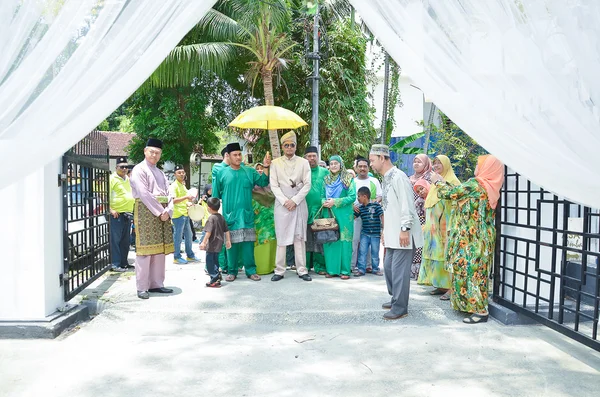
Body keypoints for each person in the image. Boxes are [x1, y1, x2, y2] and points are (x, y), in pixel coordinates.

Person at [432, 155, 504, 324]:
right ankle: (468, 305)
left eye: (480, 164)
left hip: (472, 238)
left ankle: (480, 311)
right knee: (474, 271)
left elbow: (449, 193)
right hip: (480, 236)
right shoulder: (489, 186)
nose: (476, 167)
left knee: (473, 273)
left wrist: (437, 181)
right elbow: (460, 193)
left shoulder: (476, 184)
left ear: (487, 167)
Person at [369, 144, 423, 320]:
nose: (370, 164)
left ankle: (400, 307)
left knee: (399, 271)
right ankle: (396, 299)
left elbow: (407, 205)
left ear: (382, 158)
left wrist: (405, 229)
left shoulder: (399, 177)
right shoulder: (386, 178)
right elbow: (389, 208)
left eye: (372, 160)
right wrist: (385, 231)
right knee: (390, 268)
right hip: (392, 233)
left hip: (402, 233)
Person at [212, 142, 271, 282]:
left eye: (240, 154)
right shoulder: (221, 173)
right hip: (230, 215)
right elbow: (215, 195)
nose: (238, 157)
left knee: (248, 244)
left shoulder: (249, 171)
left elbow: (263, 181)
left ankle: (251, 271)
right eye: (235, 155)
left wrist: (266, 166)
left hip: (246, 214)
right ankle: (232, 271)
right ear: (228, 156)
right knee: (230, 244)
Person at [130, 138, 175, 300]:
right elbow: (143, 194)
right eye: (152, 152)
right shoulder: (139, 170)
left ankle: (156, 284)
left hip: (162, 213)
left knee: (159, 251)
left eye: (157, 153)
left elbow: (170, 193)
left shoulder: (161, 172)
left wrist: (168, 210)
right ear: (145, 151)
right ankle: (142, 287)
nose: (154, 155)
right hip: (146, 212)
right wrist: (159, 212)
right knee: (145, 251)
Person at [269, 131, 312, 282]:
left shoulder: (303, 162)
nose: (289, 148)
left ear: (295, 146)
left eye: (291, 145)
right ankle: (279, 270)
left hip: (298, 204)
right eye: (286, 145)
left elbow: (307, 184)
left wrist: (294, 200)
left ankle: (302, 270)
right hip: (282, 205)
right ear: (282, 147)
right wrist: (285, 201)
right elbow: (274, 185)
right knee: (281, 237)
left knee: (299, 238)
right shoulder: (275, 163)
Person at [418, 155, 460, 300]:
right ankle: (441, 285)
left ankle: (451, 288)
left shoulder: (453, 181)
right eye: (434, 163)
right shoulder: (435, 182)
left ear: (446, 165)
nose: (436, 166)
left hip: (445, 227)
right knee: (435, 255)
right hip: (433, 227)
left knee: (445, 256)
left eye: (439, 163)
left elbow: (453, 200)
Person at [322, 155, 356, 279]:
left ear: (341, 164)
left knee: (344, 242)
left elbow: (352, 196)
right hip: (329, 213)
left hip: (344, 215)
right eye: (331, 164)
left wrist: (335, 202)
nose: (334, 166)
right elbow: (321, 195)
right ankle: (331, 270)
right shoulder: (326, 179)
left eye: (336, 163)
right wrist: (323, 202)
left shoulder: (347, 178)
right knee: (330, 240)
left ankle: (345, 271)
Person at [351, 156, 382, 273]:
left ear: (368, 168)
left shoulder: (374, 181)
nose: (362, 168)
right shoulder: (352, 182)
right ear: (356, 168)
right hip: (357, 214)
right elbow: (349, 197)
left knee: (370, 242)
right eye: (360, 166)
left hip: (371, 217)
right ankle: (352, 265)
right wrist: (351, 206)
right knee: (355, 240)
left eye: (365, 166)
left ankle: (369, 266)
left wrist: (374, 203)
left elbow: (380, 195)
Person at [304, 146, 329, 275]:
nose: (312, 158)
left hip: (320, 211)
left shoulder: (325, 172)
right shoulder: (302, 171)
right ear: (305, 158)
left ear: (317, 157)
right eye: (309, 156)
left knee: (319, 239)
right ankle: (305, 266)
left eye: (314, 156)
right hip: (304, 210)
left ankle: (320, 267)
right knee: (305, 239)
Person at [109, 156, 135, 272]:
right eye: (122, 167)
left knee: (126, 240)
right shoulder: (112, 179)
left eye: (126, 167)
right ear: (116, 167)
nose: (124, 169)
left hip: (128, 214)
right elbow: (103, 195)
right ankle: (115, 264)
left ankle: (124, 263)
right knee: (115, 240)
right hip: (116, 214)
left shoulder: (128, 179)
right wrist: (110, 209)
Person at [409, 154, 433, 279]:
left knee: (421, 243)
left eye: (419, 162)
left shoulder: (429, 177)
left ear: (426, 164)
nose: (416, 164)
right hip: (411, 215)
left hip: (423, 214)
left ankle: (420, 272)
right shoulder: (409, 178)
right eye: (415, 161)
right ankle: (410, 270)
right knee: (411, 243)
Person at [169, 164, 199, 264]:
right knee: (178, 236)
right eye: (179, 173)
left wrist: (189, 202)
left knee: (189, 235)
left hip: (185, 213)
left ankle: (190, 255)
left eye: (182, 172)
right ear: (175, 174)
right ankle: (176, 257)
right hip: (178, 215)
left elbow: (185, 198)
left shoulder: (182, 185)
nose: (181, 174)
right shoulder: (173, 186)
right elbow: (173, 201)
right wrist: (186, 197)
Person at [200, 197, 231, 288]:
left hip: (212, 244)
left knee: (210, 262)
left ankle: (214, 279)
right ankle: (217, 275)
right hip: (219, 243)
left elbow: (208, 232)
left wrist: (204, 242)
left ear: (209, 208)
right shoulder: (221, 217)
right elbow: (227, 231)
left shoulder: (211, 218)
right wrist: (228, 241)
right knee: (215, 260)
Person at [353, 186, 384, 277]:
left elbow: (382, 215)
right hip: (364, 234)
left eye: (359, 196)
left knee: (375, 252)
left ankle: (375, 269)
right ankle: (361, 269)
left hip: (375, 235)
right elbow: (353, 217)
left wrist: (383, 229)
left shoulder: (376, 206)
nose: (358, 198)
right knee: (362, 252)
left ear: (365, 196)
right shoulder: (360, 208)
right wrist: (351, 208)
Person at [212, 146, 230, 273]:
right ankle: (220, 265)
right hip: (222, 205)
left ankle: (229, 264)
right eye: (235, 155)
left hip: (232, 206)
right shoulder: (218, 168)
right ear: (227, 155)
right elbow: (215, 191)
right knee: (220, 236)